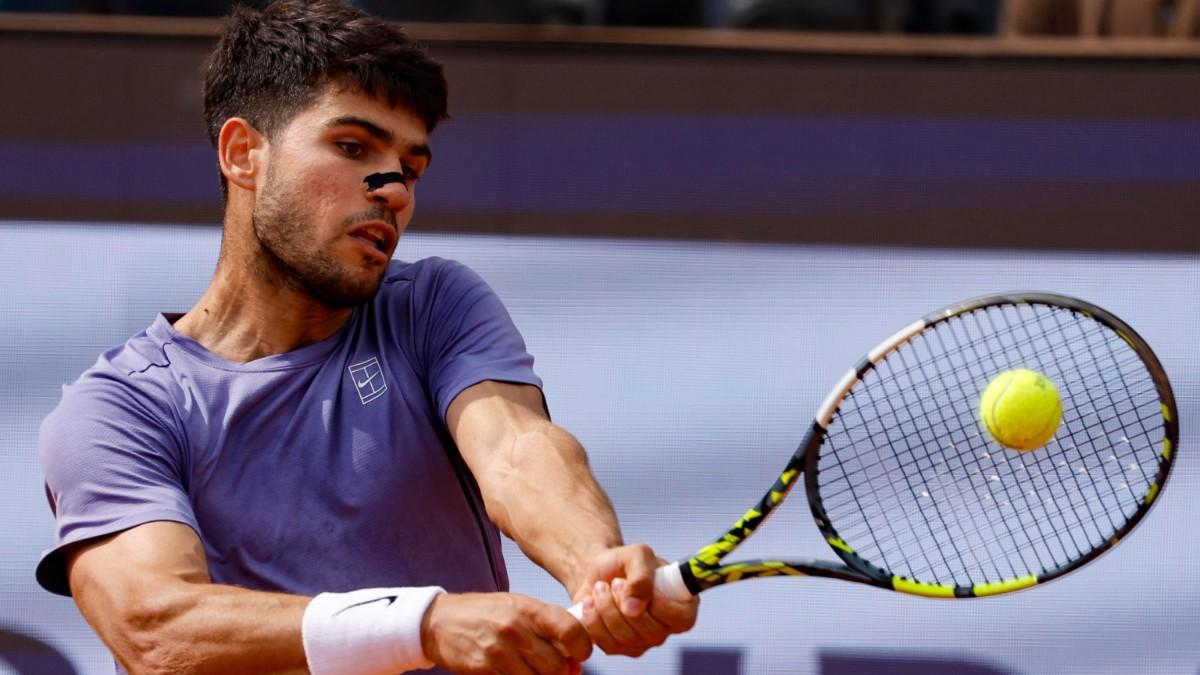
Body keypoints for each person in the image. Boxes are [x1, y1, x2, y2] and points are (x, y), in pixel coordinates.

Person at [34, 1, 698, 673]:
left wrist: (596, 565)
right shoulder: (118, 411)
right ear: (243, 155)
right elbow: (158, 627)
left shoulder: (433, 305)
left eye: (410, 168)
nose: (393, 190)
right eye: (353, 148)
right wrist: (421, 624)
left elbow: (517, 450)